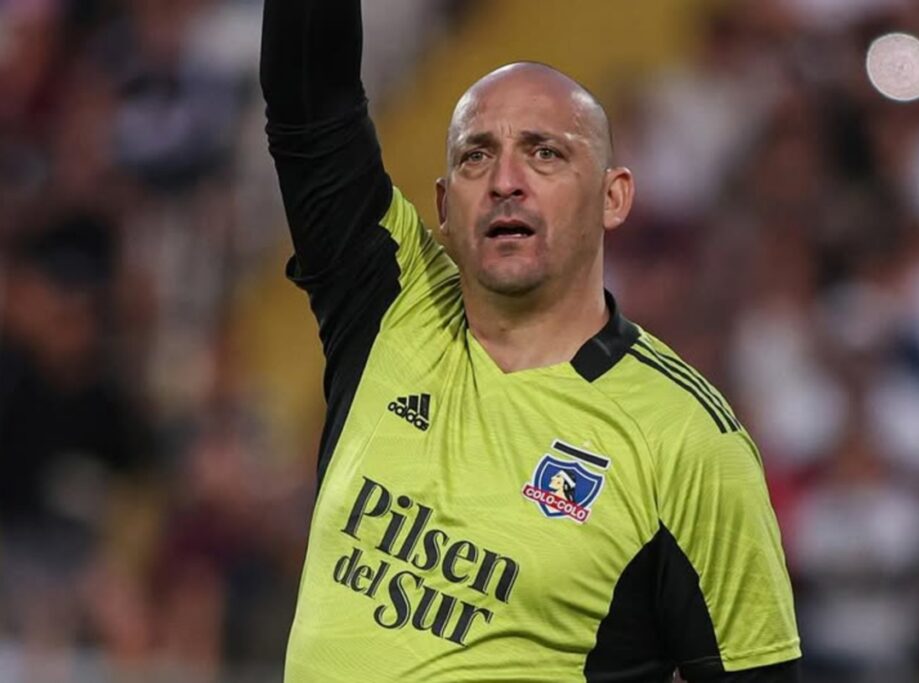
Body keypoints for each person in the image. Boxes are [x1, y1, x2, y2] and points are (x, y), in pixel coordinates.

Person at [260, 1, 801, 680]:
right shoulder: (389, 303)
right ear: (442, 205)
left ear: (614, 197)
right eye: (475, 156)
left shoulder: (690, 444)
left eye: (545, 153)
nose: (505, 182)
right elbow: (309, 102)